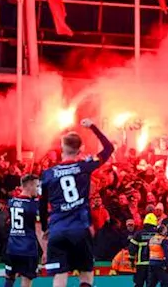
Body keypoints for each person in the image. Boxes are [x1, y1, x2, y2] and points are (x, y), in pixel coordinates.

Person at [42, 118, 115, 287]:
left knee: (60, 276)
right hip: (80, 229)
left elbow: (42, 205)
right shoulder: (84, 166)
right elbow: (109, 148)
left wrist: (46, 229)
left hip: (57, 230)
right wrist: (92, 127)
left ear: (62, 148)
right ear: (80, 149)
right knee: (86, 274)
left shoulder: (48, 174)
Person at [5, 175, 44, 287]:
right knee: (26, 281)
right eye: (36, 186)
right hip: (28, 249)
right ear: (30, 186)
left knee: (9, 278)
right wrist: (46, 251)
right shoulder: (34, 206)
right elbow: (38, 231)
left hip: (12, 248)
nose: (37, 189)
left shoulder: (11, 202)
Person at [128, 213, 168, 287]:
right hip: (154, 264)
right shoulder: (157, 235)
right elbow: (165, 248)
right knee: (150, 284)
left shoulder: (138, 234)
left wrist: (132, 261)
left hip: (141, 264)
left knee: (138, 284)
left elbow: (132, 248)